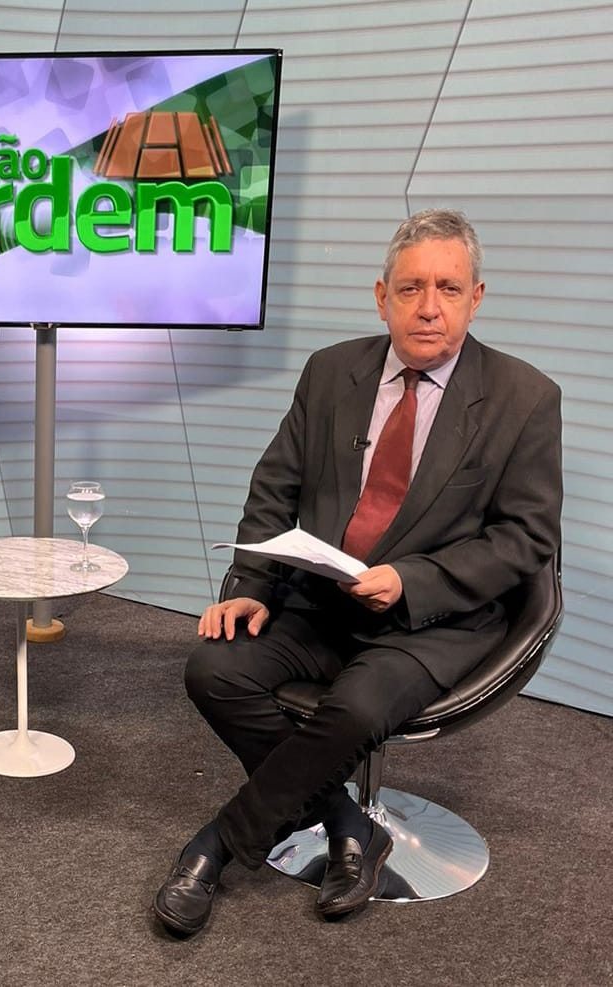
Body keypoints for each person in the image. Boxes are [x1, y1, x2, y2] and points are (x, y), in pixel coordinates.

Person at [153, 209, 563, 935]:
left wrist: (412, 581)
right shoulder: (331, 370)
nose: (428, 307)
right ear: (382, 297)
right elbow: (274, 488)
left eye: (448, 288)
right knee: (213, 671)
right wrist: (251, 587)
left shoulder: (525, 398)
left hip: (432, 622)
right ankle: (349, 823)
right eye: (410, 288)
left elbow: (525, 538)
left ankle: (217, 846)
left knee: (354, 708)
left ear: (475, 298)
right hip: (320, 602)